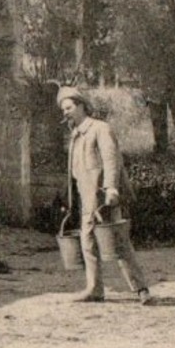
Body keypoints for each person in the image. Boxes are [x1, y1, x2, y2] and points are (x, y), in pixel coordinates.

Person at [58, 86, 151, 305]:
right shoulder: (75, 136)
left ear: (81, 106)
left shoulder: (100, 129)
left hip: (103, 198)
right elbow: (74, 172)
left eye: (69, 108)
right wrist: (69, 199)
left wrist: (111, 188)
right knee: (87, 242)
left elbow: (112, 161)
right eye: (63, 110)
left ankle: (141, 289)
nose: (66, 113)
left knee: (117, 243)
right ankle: (94, 288)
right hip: (85, 198)